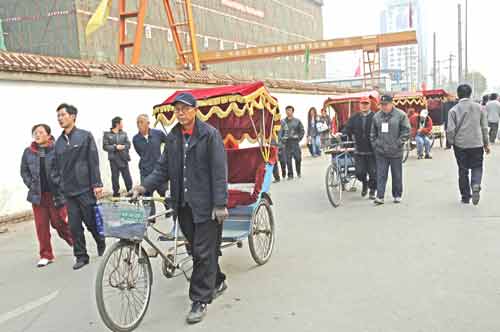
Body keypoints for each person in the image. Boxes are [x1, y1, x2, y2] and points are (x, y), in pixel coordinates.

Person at [132, 93, 228, 324]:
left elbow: (219, 171)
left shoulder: (209, 135)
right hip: (182, 204)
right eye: (177, 110)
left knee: (203, 252)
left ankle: (199, 300)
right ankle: (218, 280)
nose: (180, 113)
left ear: (195, 110)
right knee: (196, 251)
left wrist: (220, 204)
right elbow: (162, 168)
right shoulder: (173, 137)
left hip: (206, 204)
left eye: (185, 109)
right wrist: (144, 186)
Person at [54, 103, 105, 270]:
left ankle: (100, 240)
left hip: (85, 188)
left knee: (90, 222)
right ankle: (81, 256)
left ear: (73, 116)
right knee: (74, 226)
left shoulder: (85, 136)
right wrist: (59, 185)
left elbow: (93, 161)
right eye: (58, 116)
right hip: (68, 192)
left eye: (63, 115)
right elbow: (55, 167)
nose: (60, 118)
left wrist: (96, 184)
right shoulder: (59, 143)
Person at [20, 124, 73, 267]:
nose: (37, 135)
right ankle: (46, 255)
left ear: (48, 135)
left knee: (59, 223)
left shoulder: (57, 150)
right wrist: (31, 184)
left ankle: (75, 242)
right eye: (35, 133)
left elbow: (65, 169)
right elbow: (24, 171)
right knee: (41, 226)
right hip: (38, 196)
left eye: (41, 132)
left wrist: (62, 185)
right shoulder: (28, 152)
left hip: (56, 194)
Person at [447, 84, 490, 205]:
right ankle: (476, 184)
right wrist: (486, 144)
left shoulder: (453, 110)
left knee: (463, 170)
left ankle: (465, 196)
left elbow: (450, 130)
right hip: (477, 143)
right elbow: (484, 128)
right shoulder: (480, 108)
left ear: (458, 94)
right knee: (477, 166)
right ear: (470, 94)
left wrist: (451, 142)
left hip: (460, 145)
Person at [370, 95, 410, 205]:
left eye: (386, 104)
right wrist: (375, 145)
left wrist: (398, 143)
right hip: (381, 151)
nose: (384, 107)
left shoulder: (401, 115)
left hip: (395, 151)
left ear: (392, 104)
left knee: (396, 174)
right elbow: (373, 133)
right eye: (382, 105)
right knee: (381, 174)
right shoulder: (376, 117)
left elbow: (406, 131)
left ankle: (397, 195)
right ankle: (380, 196)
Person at [132, 114, 169, 216]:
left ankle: (169, 212)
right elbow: (140, 153)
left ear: (148, 123)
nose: (139, 125)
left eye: (141, 122)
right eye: (138, 122)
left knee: (164, 193)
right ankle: (150, 218)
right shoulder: (136, 139)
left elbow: (169, 143)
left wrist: (164, 158)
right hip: (145, 171)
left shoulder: (158, 134)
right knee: (146, 195)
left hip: (160, 169)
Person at [342, 96, 377, 199]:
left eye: (366, 104)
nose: (364, 106)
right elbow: (347, 128)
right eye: (362, 104)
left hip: (372, 150)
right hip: (359, 150)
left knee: (373, 173)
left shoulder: (375, 117)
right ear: (359, 105)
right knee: (359, 173)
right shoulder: (354, 117)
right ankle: (365, 183)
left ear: (369, 105)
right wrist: (341, 133)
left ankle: (372, 190)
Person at [103, 117, 133, 197]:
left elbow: (128, 144)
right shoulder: (107, 134)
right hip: (114, 160)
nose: (122, 125)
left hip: (123, 158)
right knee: (115, 177)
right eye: (121, 123)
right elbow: (105, 146)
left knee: (127, 176)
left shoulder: (124, 134)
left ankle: (130, 191)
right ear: (117, 124)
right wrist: (115, 147)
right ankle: (116, 193)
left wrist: (123, 146)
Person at [284, 105, 305, 179]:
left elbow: (302, 131)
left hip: (295, 142)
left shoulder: (297, 121)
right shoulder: (283, 122)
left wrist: (298, 137)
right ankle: (290, 175)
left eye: (289, 110)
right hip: (287, 143)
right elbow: (280, 132)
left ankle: (298, 172)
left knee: (298, 158)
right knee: (288, 160)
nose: (288, 112)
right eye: (287, 110)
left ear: (292, 111)